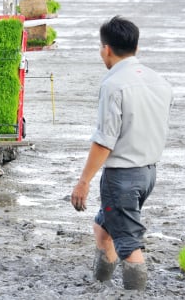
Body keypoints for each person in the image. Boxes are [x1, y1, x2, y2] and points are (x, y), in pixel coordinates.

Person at [70, 16, 172, 290]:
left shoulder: (113, 85)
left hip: (122, 178)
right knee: (104, 228)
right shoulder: (159, 80)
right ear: (136, 47)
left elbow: (105, 141)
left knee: (128, 243)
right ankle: (100, 284)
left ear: (106, 49)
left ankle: (135, 292)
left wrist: (84, 181)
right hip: (148, 172)